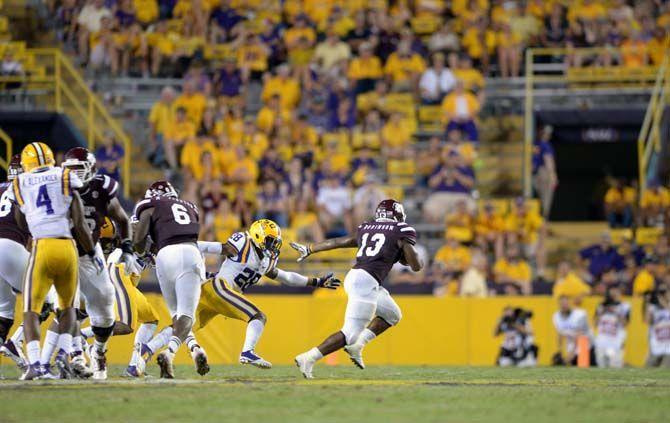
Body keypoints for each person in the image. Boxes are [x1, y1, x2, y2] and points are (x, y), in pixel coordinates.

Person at [139, 219, 341, 375]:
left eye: (275, 242)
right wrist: (180, 252)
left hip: (216, 295)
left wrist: (316, 282)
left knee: (183, 328)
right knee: (258, 316)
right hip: (219, 287)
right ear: (258, 236)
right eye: (270, 241)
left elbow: (285, 277)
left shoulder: (264, 260)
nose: (273, 246)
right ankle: (247, 352)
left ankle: (146, 350)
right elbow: (209, 247)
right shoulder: (243, 242)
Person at [291, 199, 424, 379]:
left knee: (393, 314)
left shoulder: (367, 227)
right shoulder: (402, 230)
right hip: (366, 282)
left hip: (357, 277)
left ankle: (358, 346)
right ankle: (309, 357)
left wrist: (311, 248)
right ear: (397, 214)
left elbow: (340, 241)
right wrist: (409, 252)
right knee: (349, 333)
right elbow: (416, 266)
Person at [8, 142, 97, 380]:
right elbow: (79, 222)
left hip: (42, 246)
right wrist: (92, 253)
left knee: (31, 310)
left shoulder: (20, 182)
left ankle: (36, 364)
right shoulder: (64, 175)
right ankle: (64, 354)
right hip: (67, 247)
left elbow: (19, 217)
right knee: (68, 308)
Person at [61, 147, 133, 379]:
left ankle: (99, 351)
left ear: (91, 169)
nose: (74, 175)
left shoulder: (101, 188)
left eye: (78, 170)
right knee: (64, 306)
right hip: (62, 250)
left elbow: (121, 219)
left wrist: (128, 248)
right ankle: (75, 356)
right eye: (70, 170)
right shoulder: (56, 186)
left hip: (92, 254)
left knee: (105, 309)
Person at [133, 180, 204, 379]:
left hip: (164, 256)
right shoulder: (189, 206)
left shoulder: (148, 205)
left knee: (176, 316)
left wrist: (143, 250)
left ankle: (150, 352)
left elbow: (139, 240)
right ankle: (168, 352)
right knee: (187, 316)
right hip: (189, 251)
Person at [0, 156, 31, 362]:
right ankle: (16, 342)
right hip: (10, 245)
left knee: (4, 312)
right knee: (48, 300)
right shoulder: (28, 189)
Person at [594, 286, 630, 368]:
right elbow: (595, 323)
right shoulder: (601, 305)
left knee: (615, 366)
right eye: (612, 292)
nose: (613, 294)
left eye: (615, 292)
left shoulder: (624, 306)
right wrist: (603, 311)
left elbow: (625, 323)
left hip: (615, 341)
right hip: (602, 340)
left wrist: (616, 312)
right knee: (601, 365)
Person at [552, 296, 594, 366]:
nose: (564, 305)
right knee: (573, 368)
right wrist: (560, 351)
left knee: (585, 367)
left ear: (569, 303)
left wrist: (571, 354)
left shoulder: (580, 314)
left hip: (586, 344)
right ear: (559, 305)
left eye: (566, 303)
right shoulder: (556, 316)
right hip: (571, 344)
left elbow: (580, 334)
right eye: (562, 303)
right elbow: (560, 334)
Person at [532, 125, 558, 219]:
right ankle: (543, 222)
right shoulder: (546, 145)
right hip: (544, 172)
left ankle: (540, 220)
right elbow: (548, 161)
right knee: (546, 199)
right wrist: (553, 176)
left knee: (538, 198)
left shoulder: (535, 144)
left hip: (534, 173)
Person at [645, 285, 670, 367]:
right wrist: (648, 303)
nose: (663, 296)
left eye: (664, 293)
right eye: (660, 294)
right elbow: (647, 321)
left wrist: (664, 303)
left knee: (665, 367)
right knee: (650, 365)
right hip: (657, 340)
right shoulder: (653, 307)